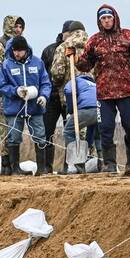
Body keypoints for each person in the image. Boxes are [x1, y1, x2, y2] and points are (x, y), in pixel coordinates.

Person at [76, 4, 130, 176]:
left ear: (114, 18)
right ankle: (109, 164)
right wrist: (74, 58)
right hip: (104, 93)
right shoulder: (95, 41)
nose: (106, 21)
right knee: (105, 128)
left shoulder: (127, 36)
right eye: (103, 18)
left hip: (126, 91)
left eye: (109, 17)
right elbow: (85, 64)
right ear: (99, 21)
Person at [0, 35, 52, 176]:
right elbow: (1, 86)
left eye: (20, 51)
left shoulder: (37, 63)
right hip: (14, 108)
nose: (17, 53)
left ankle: (41, 169)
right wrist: (16, 90)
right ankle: (15, 169)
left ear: (26, 50)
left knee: (40, 135)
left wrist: (43, 96)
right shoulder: (6, 65)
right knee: (14, 137)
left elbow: (45, 83)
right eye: (15, 50)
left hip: (35, 108)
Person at [50, 20, 93, 171]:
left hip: (72, 95)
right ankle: (92, 162)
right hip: (93, 96)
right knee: (92, 130)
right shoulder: (92, 45)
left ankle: (76, 165)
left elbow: (57, 73)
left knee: (74, 128)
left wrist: (59, 84)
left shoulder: (64, 47)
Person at [0, 15, 25, 175]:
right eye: (15, 26)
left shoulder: (22, 45)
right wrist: (11, 82)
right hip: (6, 95)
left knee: (17, 129)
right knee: (6, 129)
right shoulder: (0, 45)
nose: (18, 29)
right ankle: (6, 164)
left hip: (22, 95)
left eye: (20, 26)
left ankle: (14, 164)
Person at [39, 31, 66, 175]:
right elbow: (43, 74)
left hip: (68, 98)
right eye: (68, 33)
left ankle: (69, 165)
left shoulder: (78, 50)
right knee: (47, 132)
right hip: (51, 98)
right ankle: (46, 166)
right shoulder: (49, 50)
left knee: (71, 132)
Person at [63, 72, 99, 174]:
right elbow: (90, 131)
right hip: (100, 110)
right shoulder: (94, 84)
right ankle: (103, 163)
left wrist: (70, 110)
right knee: (98, 135)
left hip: (86, 109)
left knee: (68, 131)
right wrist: (88, 142)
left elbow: (69, 91)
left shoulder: (74, 81)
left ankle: (77, 164)